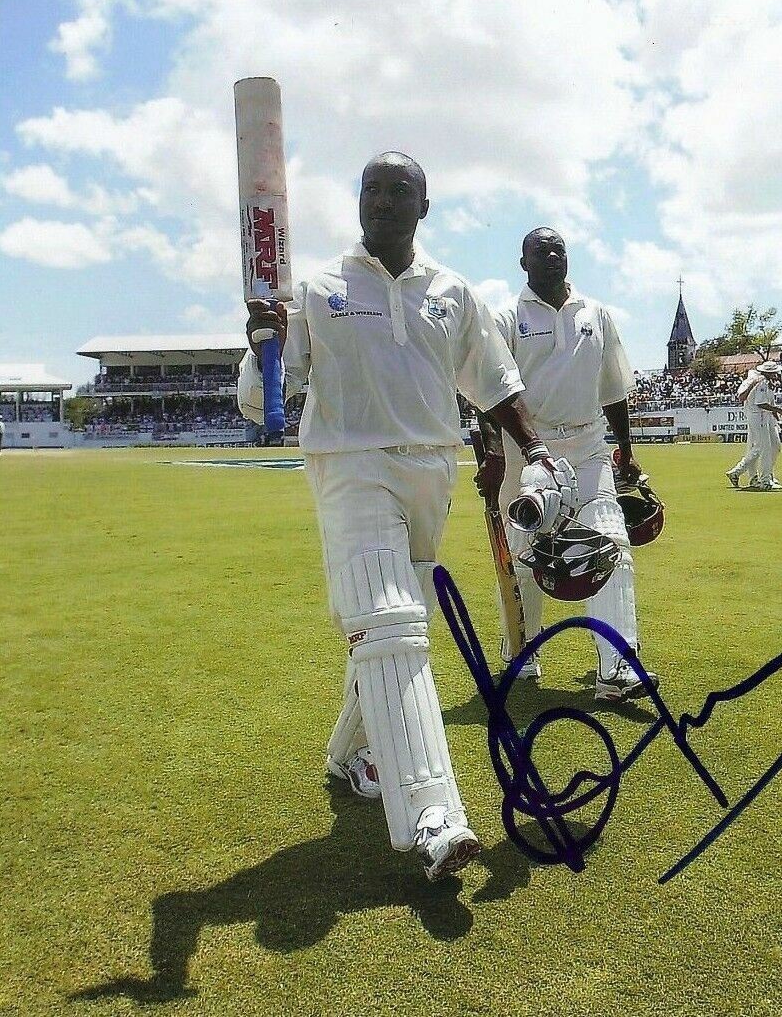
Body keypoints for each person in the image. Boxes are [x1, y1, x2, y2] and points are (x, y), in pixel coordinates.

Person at [238, 151, 567, 881]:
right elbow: (259, 399)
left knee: (395, 623)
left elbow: (494, 382)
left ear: (424, 205)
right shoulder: (318, 291)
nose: (381, 202)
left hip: (430, 468)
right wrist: (260, 341)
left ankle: (347, 754)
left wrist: (538, 452)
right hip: (350, 464)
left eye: (398, 191)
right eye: (371, 190)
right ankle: (434, 818)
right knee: (392, 622)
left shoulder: (451, 292)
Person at [479, 227, 650, 701]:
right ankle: (520, 655)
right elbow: (491, 394)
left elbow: (614, 389)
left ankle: (618, 666)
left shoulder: (595, 314)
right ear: (523, 262)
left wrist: (627, 452)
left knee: (612, 545)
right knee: (524, 558)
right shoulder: (506, 318)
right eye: (541, 251)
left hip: (589, 446)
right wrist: (495, 452)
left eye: (559, 250)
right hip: (526, 451)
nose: (552, 257)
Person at [726, 361, 782, 490]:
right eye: (775, 372)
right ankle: (758, 478)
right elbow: (761, 403)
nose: (777, 374)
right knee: (762, 448)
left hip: (762, 417)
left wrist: (777, 419)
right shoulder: (761, 382)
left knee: (773, 446)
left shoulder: (759, 381)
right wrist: (780, 411)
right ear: (768, 372)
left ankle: (763, 476)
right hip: (759, 416)